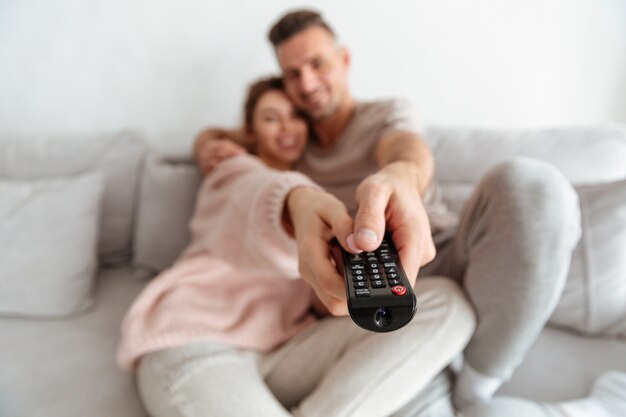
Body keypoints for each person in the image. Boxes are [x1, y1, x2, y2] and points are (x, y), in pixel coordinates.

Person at [194, 10, 626, 417]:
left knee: (533, 186)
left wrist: (401, 176)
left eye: (316, 64)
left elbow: (406, 150)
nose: (306, 84)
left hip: (442, 258)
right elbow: (243, 151)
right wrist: (207, 142)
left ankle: (475, 387)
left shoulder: (385, 114)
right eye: (292, 74)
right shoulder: (292, 142)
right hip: (372, 305)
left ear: (343, 60)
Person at [118, 76, 476, 417]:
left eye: (295, 117)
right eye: (271, 118)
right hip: (197, 337)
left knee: (446, 303)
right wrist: (298, 203)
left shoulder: (322, 190)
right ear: (251, 132)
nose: (287, 127)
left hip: (287, 347)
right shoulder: (231, 171)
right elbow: (258, 194)